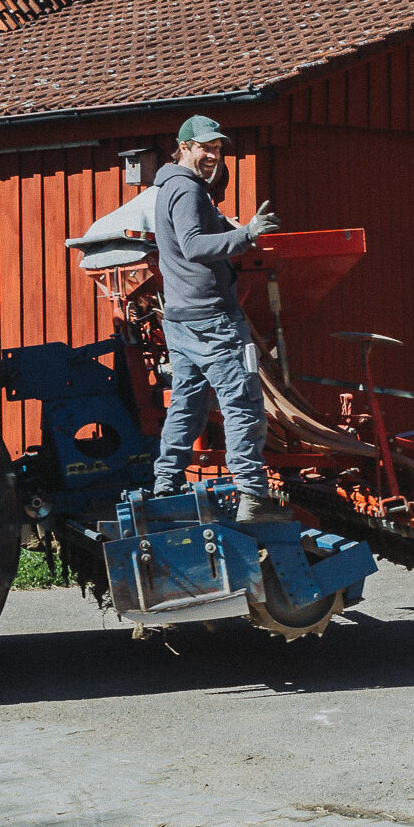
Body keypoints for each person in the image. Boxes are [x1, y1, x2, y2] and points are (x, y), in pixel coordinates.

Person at [151, 113, 283, 523]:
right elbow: (192, 245)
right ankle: (254, 498)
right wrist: (247, 233)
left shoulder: (170, 188)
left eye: (218, 148)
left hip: (181, 320)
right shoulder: (187, 190)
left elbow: (193, 236)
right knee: (242, 404)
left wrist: (228, 227)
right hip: (214, 321)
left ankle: (165, 486)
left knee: (187, 405)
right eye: (205, 147)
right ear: (184, 147)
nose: (213, 155)